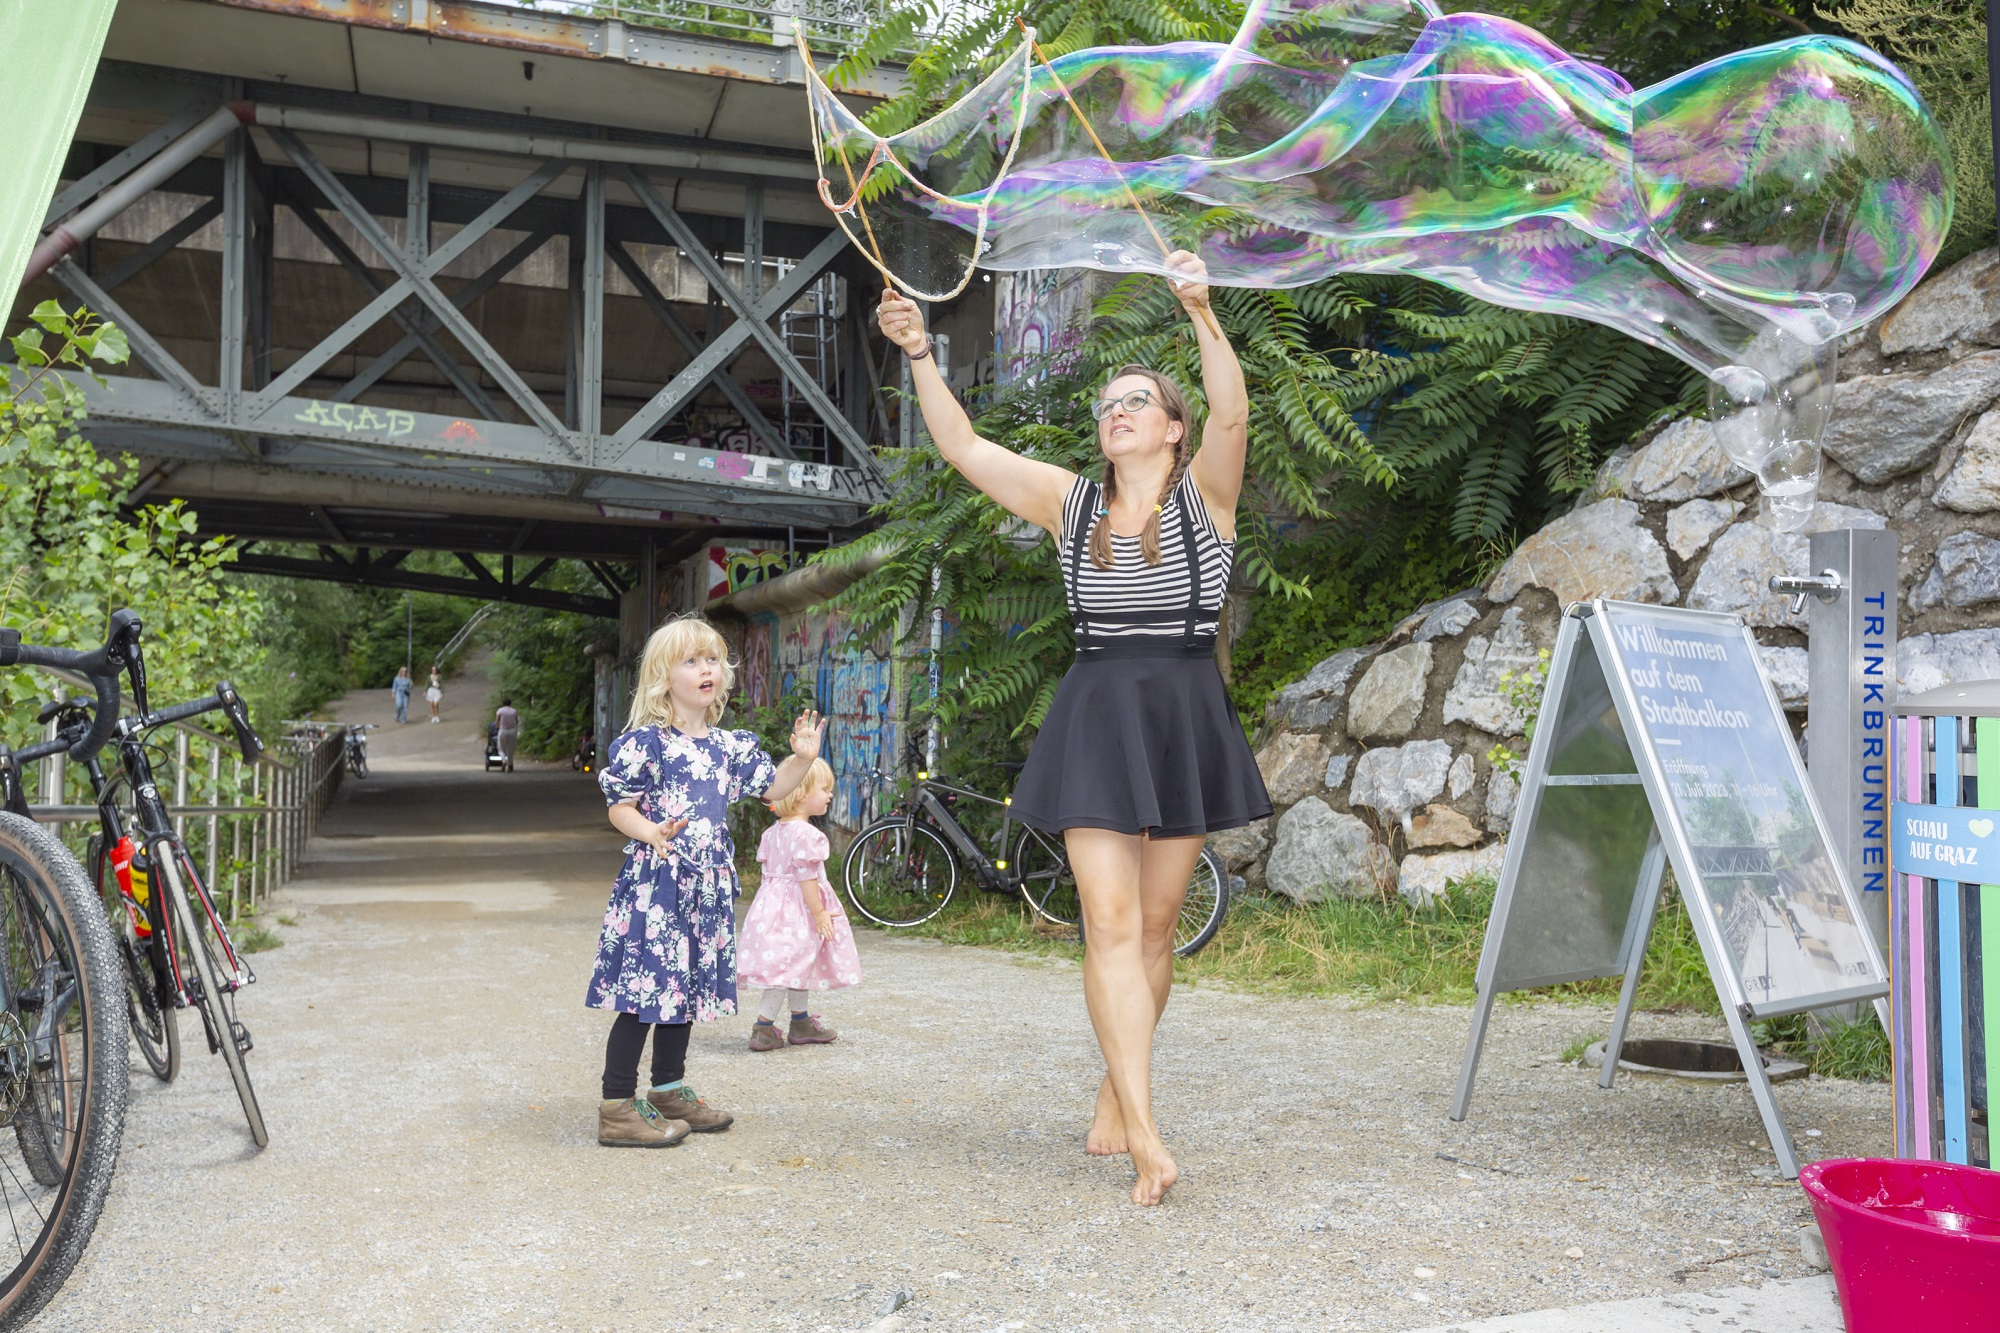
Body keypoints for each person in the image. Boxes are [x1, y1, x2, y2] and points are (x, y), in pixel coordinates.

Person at [878, 255, 1269, 1207]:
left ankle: (1114, 1080)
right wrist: (923, 354)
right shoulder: (1071, 501)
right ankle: (1145, 1131)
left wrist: (1202, 313)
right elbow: (968, 449)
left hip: (1183, 712)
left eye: (1136, 400)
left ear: (1170, 427)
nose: (1116, 412)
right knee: (1110, 920)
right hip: (1098, 712)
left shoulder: (1206, 496)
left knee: (1161, 928)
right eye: (1106, 404)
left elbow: (1233, 413)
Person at [589, 612, 826, 1148]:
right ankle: (617, 1107)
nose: (706, 670)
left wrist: (802, 758)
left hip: (706, 887)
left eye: (713, 659)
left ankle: (669, 1091)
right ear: (662, 677)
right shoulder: (647, 744)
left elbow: (774, 789)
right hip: (658, 886)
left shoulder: (728, 746)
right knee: (645, 991)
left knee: (685, 991)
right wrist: (651, 831)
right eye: (691, 661)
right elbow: (619, 809)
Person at [737, 758, 858, 1052]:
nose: (830, 795)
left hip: (773, 910)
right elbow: (806, 877)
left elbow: (772, 875)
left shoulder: (772, 833)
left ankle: (801, 1021)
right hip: (800, 910)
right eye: (825, 789)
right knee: (786, 968)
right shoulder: (809, 836)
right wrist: (818, 913)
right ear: (802, 793)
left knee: (797, 963)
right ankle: (763, 1027)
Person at [494, 697, 520, 770]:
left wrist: (497, 726)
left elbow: (496, 722)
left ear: (503, 704)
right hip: (512, 731)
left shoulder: (500, 710)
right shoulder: (514, 711)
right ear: (510, 703)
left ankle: (504, 760)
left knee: (501, 748)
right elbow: (516, 721)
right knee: (511, 749)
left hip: (503, 730)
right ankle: (510, 765)